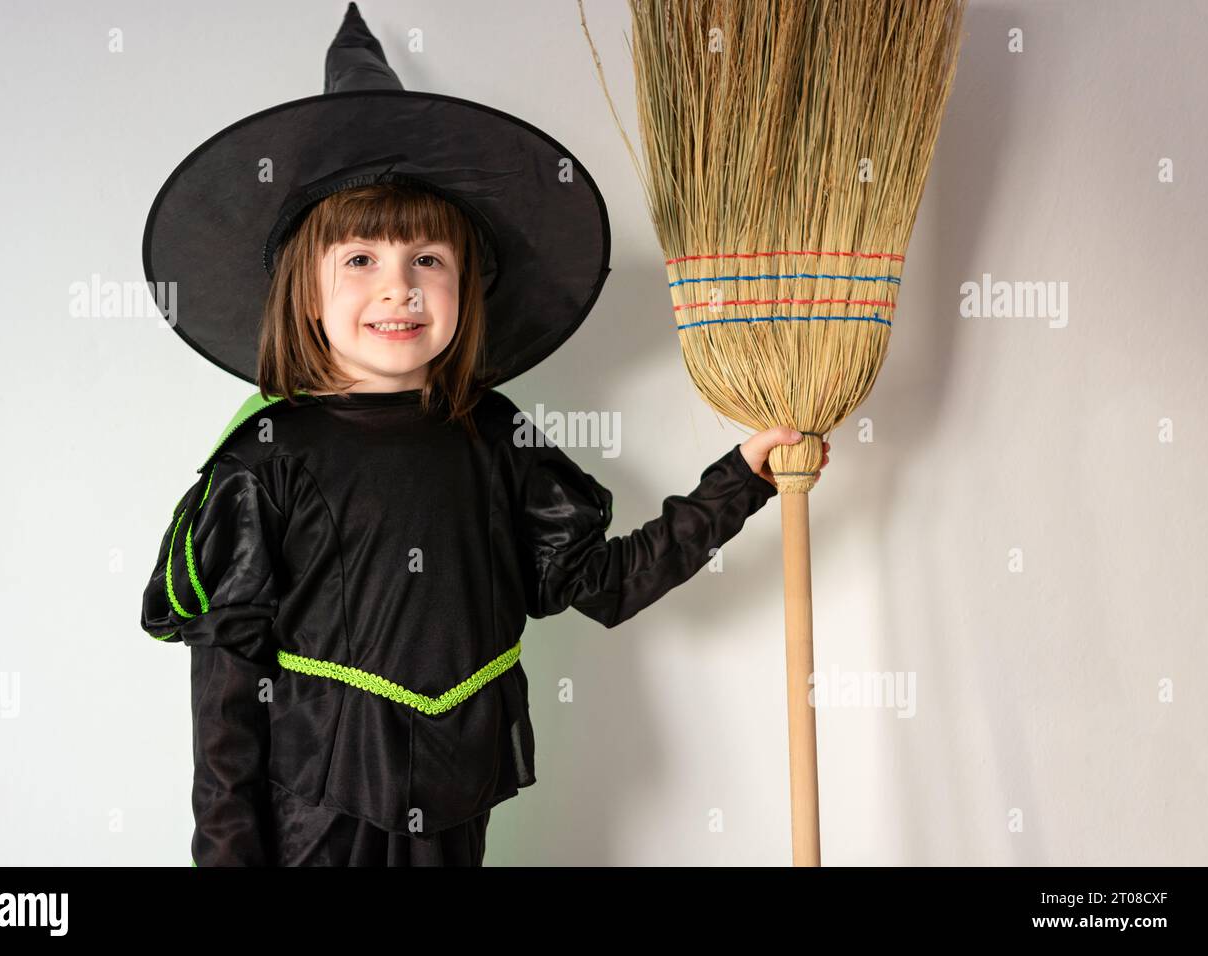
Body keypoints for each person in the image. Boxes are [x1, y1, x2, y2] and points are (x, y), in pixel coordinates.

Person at [137, 3, 828, 867]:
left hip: (459, 801)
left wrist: (740, 482)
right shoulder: (265, 459)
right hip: (318, 815)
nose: (399, 289)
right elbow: (226, 694)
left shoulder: (495, 437)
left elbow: (602, 584)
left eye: (428, 260)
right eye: (360, 261)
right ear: (306, 293)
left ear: (468, 287)